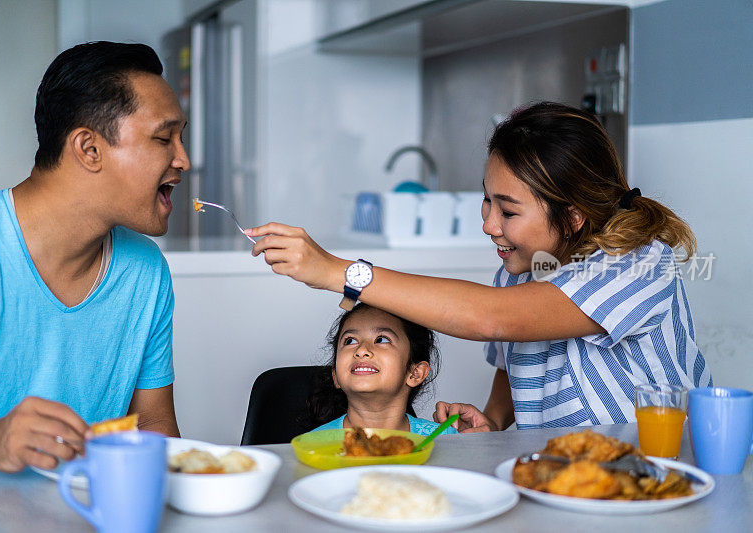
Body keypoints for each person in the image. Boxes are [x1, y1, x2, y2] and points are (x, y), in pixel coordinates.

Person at [246, 101, 712, 432]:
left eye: (508, 211)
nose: (489, 224)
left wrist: (338, 271)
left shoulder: (637, 263)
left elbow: (493, 318)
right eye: (486, 200)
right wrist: (494, 419)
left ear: (573, 217)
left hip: (658, 476)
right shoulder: (519, 270)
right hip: (565, 480)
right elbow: (514, 357)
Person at [0, 41, 188, 472]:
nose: (183, 160)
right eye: (163, 139)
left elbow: (153, 427)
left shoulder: (145, 271)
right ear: (89, 148)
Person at [307, 303, 457, 436]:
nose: (361, 350)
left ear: (415, 373)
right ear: (335, 376)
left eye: (381, 339)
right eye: (350, 341)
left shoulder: (444, 439)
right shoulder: (313, 444)